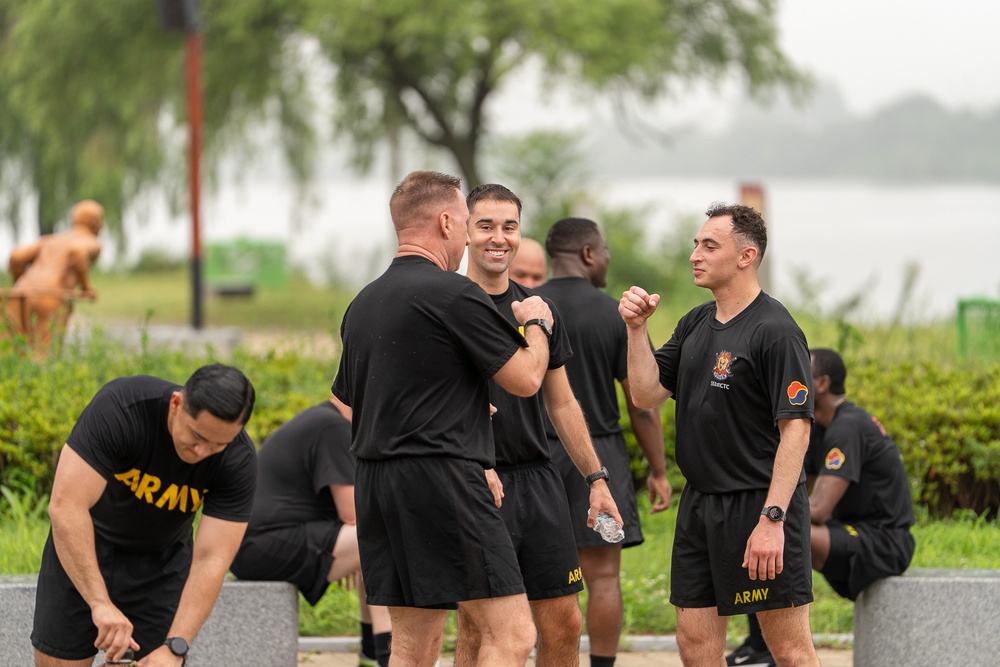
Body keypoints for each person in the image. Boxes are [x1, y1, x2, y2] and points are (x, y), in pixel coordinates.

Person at [331, 170, 557, 667]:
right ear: (448, 221)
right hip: (443, 478)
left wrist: (462, 404)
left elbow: (350, 398)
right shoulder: (454, 294)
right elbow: (526, 379)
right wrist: (536, 321)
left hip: (376, 481)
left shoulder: (362, 303)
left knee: (412, 646)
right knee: (514, 635)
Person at [619, 203, 822, 667]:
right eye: (695, 244)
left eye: (709, 245)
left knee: (789, 650)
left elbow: (796, 430)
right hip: (699, 505)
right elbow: (646, 393)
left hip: (758, 505)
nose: (695, 254)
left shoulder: (776, 331)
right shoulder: (695, 322)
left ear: (746, 256)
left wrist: (773, 519)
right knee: (694, 644)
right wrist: (636, 330)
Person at [456, 184, 623, 666]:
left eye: (509, 226)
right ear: (465, 231)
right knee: (478, 629)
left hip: (540, 479)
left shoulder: (539, 311)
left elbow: (564, 403)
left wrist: (596, 478)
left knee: (565, 621)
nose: (498, 237)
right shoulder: (447, 305)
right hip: (477, 485)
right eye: (485, 225)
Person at [32, 363, 258, 667]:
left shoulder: (237, 460)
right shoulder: (122, 408)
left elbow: (213, 558)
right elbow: (66, 507)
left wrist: (176, 646)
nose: (202, 451)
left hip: (161, 565)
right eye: (196, 436)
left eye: (218, 444)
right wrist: (99, 603)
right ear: (176, 404)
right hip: (85, 545)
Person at [534, 218, 671, 667]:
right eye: (605, 249)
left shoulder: (527, 307)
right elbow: (642, 404)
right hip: (600, 460)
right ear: (589, 254)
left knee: (539, 577)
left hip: (536, 458)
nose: (608, 257)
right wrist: (658, 471)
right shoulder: (616, 314)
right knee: (604, 576)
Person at [727, 348, 916, 667]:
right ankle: (762, 645)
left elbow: (817, 510)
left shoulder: (848, 426)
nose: (792, 379)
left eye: (803, 373)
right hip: (851, 532)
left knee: (771, 536)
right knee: (763, 532)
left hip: (884, 541)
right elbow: (796, 489)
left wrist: (764, 517)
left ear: (823, 383)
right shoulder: (819, 427)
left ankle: (768, 648)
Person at [229, 394, 392, 667]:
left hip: (256, 543)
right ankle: (387, 657)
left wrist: (353, 551)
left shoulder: (322, 420)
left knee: (370, 541)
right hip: (261, 545)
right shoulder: (333, 426)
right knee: (382, 536)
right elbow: (353, 513)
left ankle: (371, 652)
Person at [3, 199, 103, 351]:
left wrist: (19, 283)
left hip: (19, 294)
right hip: (51, 296)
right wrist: (86, 288)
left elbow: (16, 257)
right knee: (46, 352)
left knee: (15, 350)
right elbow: (78, 252)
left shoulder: (51, 239)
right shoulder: (90, 240)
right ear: (95, 223)